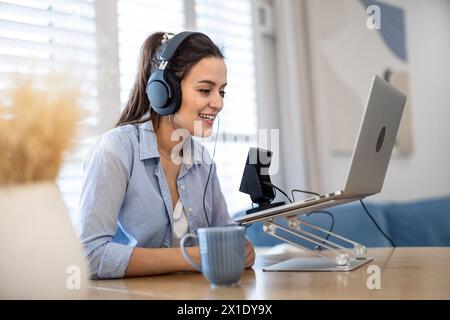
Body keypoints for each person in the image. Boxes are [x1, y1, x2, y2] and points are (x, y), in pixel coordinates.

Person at [78, 31, 255, 279]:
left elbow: (225, 234)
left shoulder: (203, 161)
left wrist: (242, 249)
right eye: (205, 90)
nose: (218, 103)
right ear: (164, 91)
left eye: (222, 92)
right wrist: (196, 256)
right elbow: (90, 256)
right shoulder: (116, 149)